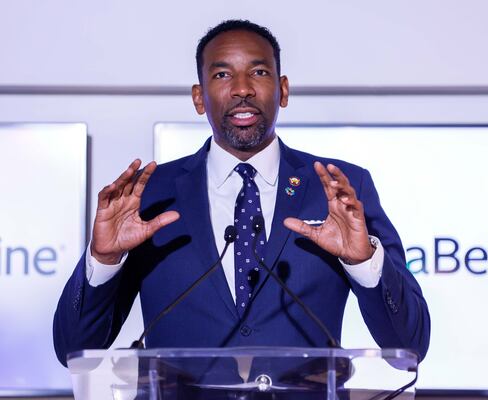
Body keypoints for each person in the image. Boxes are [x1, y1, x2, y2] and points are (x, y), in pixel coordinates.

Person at [53, 20, 430, 370]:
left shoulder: (339, 188)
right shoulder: (149, 195)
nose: (242, 89)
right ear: (199, 98)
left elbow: (410, 349)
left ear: (283, 90)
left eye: (259, 72)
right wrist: (104, 259)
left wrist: (364, 262)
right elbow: (74, 352)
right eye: (222, 74)